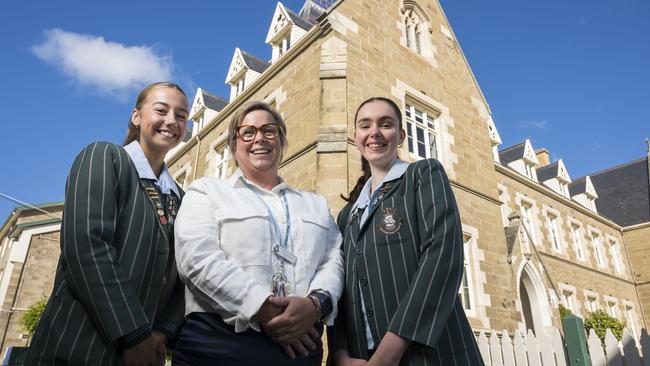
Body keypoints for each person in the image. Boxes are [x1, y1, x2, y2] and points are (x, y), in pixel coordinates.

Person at [25, 82, 189, 366]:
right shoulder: (104, 156)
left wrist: (163, 333)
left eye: (182, 115)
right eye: (161, 110)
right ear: (137, 117)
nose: (172, 121)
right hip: (76, 348)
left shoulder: (181, 198)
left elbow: (185, 277)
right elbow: (86, 244)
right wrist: (134, 334)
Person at [172, 101, 344, 366]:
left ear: (281, 140)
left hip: (299, 348)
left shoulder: (316, 203)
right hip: (217, 344)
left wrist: (316, 304)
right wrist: (263, 308)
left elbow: (334, 259)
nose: (259, 138)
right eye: (248, 132)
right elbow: (196, 260)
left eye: (269, 130)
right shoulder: (205, 191)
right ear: (233, 144)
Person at [329, 97, 484, 366]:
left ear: (401, 135)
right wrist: (341, 355)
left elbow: (441, 258)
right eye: (365, 126)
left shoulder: (422, 175)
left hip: (431, 356)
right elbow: (338, 285)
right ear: (356, 137)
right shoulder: (346, 216)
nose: (374, 132)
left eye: (385, 124)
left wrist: (387, 354)